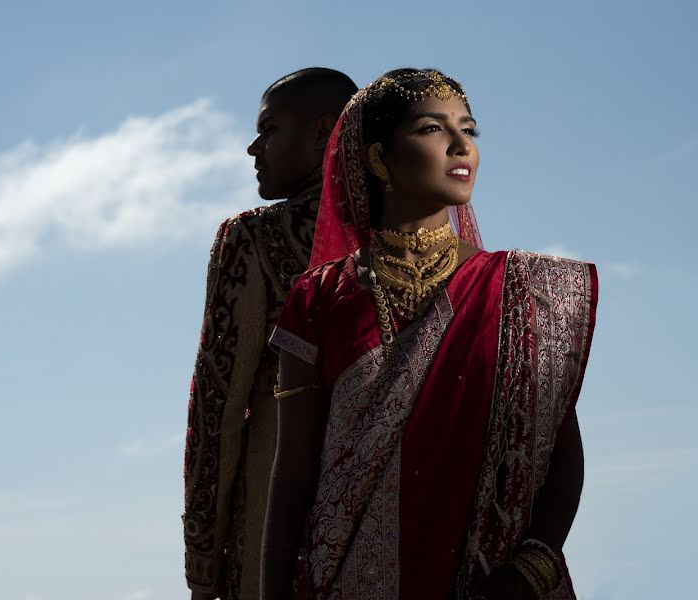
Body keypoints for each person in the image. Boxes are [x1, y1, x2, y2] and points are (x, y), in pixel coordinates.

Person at [262, 68, 598, 600]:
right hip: (349, 583)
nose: (461, 145)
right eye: (432, 129)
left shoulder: (524, 293)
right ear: (378, 158)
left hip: (491, 583)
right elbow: (293, 478)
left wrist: (530, 570)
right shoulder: (319, 296)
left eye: (469, 130)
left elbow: (560, 451)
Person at [183, 68, 357, 600]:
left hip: (270, 531)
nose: (253, 148)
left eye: (270, 129)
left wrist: (203, 567)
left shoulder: (252, 239)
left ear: (325, 132)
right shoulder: (416, 242)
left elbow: (218, 406)